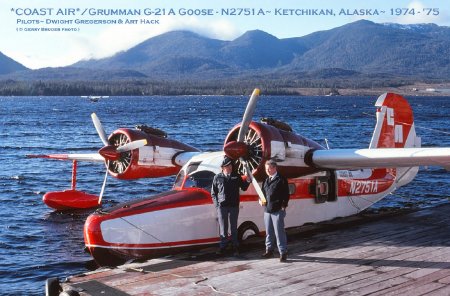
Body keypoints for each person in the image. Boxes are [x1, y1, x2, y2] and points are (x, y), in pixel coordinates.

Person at [211, 156, 250, 256]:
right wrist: (217, 205)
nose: (230, 167)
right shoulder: (217, 177)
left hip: (233, 206)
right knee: (223, 228)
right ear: (223, 167)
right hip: (222, 206)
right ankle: (223, 246)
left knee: (233, 227)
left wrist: (248, 180)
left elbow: (244, 187)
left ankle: (235, 246)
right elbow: (213, 193)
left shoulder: (236, 176)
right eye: (228, 166)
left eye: (231, 166)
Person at [261, 159, 290, 262]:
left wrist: (283, 206)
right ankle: (269, 250)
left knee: (279, 232)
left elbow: (286, 195)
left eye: (269, 169)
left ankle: (283, 252)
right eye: (266, 169)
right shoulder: (266, 180)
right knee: (269, 232)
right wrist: (261, 200)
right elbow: (263, 194)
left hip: (277, 210)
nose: (267, 171)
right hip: (267, 210)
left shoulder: (281, 180)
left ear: (274, 168)